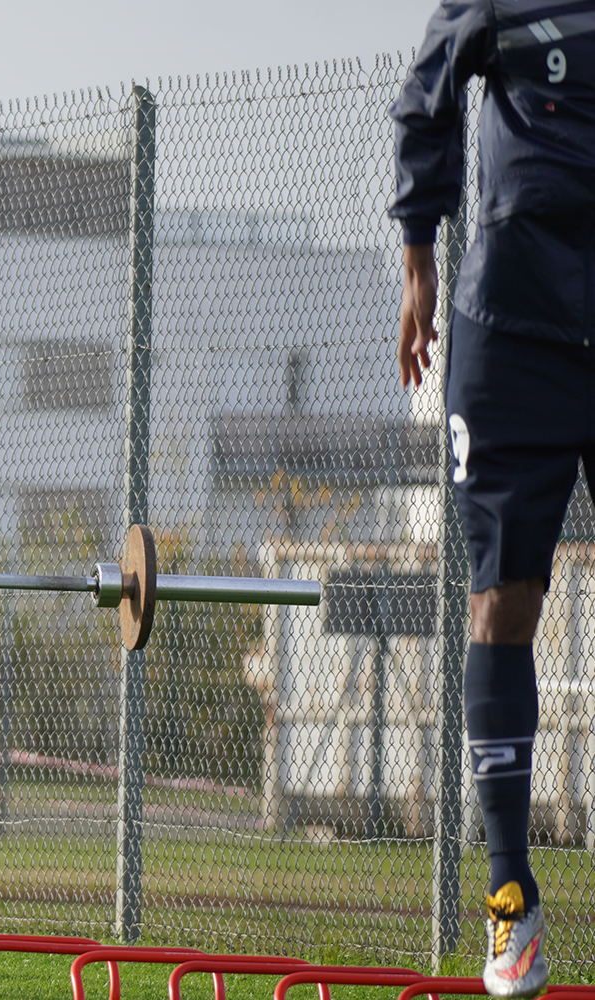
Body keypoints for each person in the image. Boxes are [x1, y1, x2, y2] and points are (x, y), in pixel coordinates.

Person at [391, 2, 595, 994]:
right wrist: (418, 255)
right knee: (504, 595)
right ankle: (511, 897)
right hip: (514, 325)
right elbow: (428, 94)